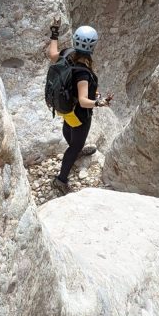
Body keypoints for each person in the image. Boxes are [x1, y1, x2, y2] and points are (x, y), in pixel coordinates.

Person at [48, 18, 112, 194]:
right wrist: (100, 102)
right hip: (79, 113)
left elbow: (52, 53)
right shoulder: (83, 72)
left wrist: (55, 31)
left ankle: (76, 148)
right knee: (74, 145)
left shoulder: (67, 53)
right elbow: (84, 100)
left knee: (69, 126)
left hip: (65, 108)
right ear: (93, 46)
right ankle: (61, 180)